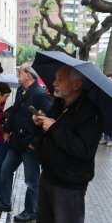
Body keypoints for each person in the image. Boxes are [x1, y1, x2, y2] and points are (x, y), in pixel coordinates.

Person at [33, 65, 102, 223]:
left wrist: (53, 126)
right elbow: (50, 133)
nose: (54, 83)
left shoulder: (90, 113)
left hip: (69, 186)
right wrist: (41, 122)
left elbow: (85, 150)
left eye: (60, 79)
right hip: (48, 176)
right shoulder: (59, 104)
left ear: (76, 85)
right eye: (55, 78)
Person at [0, 62, 52, 222]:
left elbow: (49, 122)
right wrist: (7, 130)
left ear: (29, 75)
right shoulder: (21, 90)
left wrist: (35, 143)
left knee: (31, 180)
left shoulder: (39, 94)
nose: (17, 73)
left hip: (30, 146)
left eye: (20, 71)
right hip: (16, 142)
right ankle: (4, 203)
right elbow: (15, 111)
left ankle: (31, 210)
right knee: (5, 170)